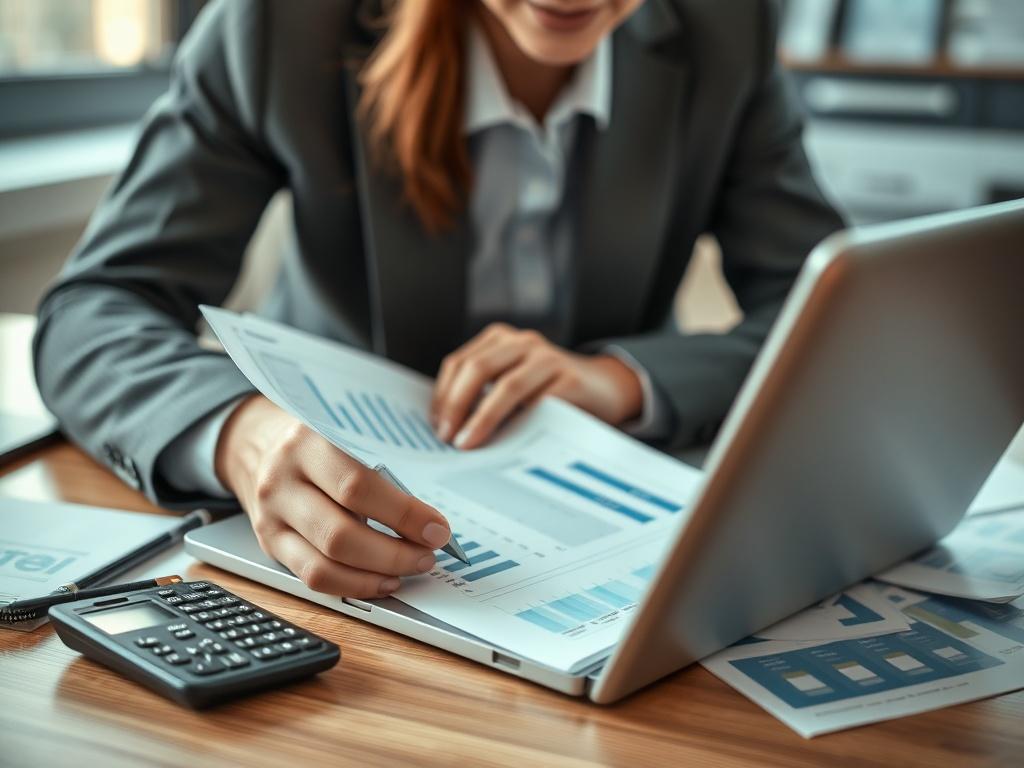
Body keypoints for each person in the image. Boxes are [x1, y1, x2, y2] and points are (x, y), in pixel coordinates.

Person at [34, 0, 842, 599]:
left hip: (605, 533)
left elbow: (829, 312)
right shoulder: (279, 24)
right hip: (344, 541)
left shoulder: (725, 28)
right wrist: (240, 436)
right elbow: (96, 311)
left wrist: (622, 381)